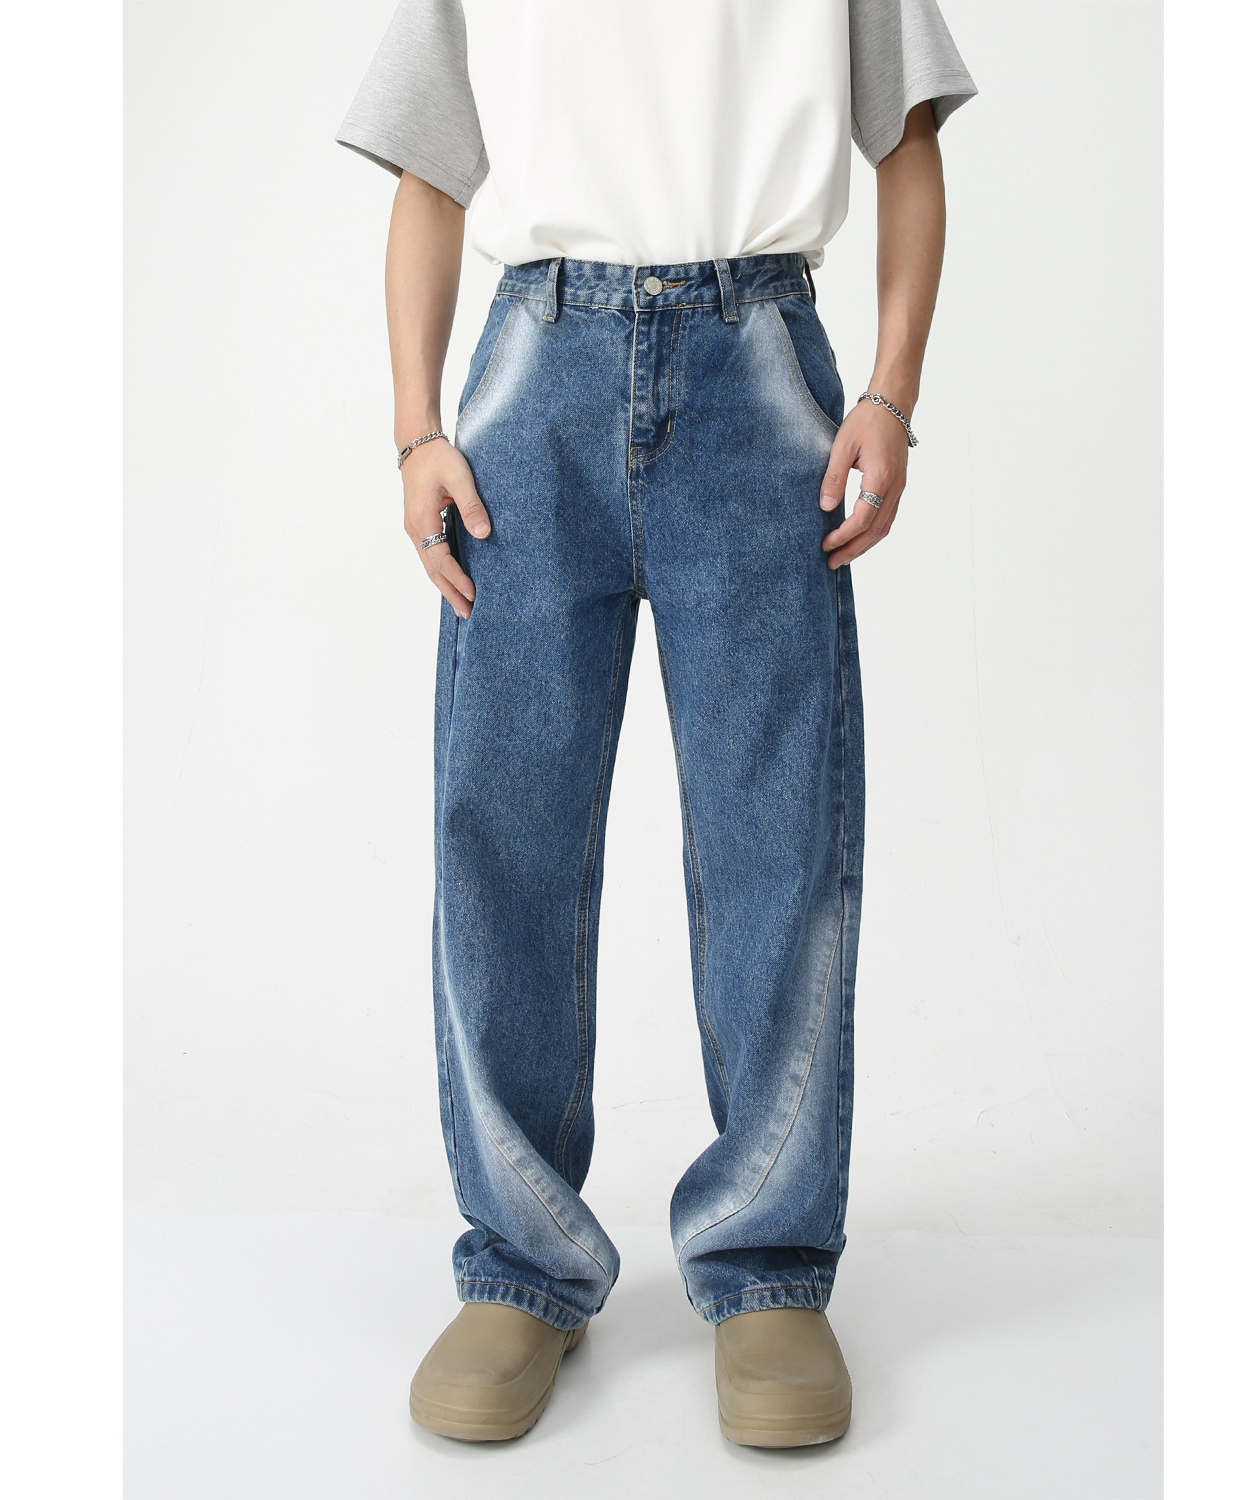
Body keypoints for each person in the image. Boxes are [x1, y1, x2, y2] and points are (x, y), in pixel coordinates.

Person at [336, 0, 975, 1449]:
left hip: (761, 361)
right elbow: (429, 171)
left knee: (777, 835)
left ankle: (767, 1264)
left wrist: (892, 391)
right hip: (536, 370)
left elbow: (909, 140)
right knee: (502, 831)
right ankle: (520, 1259)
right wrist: (415, 425)